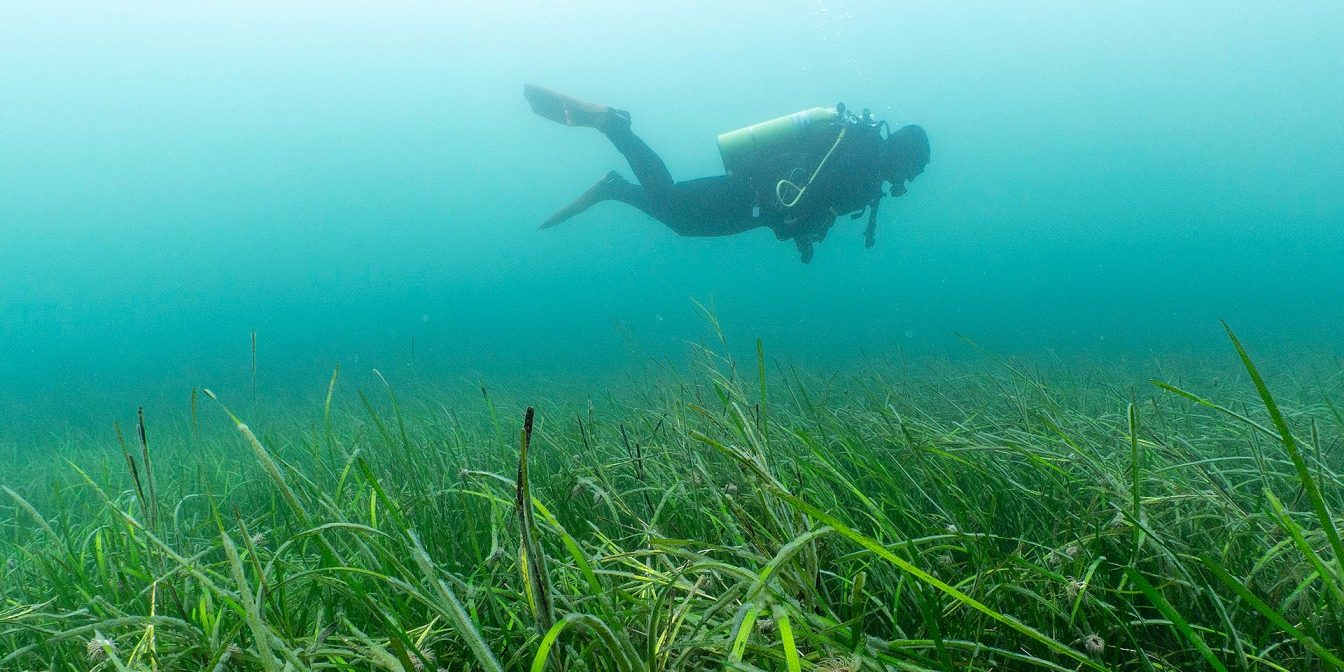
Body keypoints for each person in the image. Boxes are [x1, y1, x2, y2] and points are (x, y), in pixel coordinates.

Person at [525, 84, 930, 263]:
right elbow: (816, 190)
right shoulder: (866, 166)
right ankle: (614, 125)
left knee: (681, 220)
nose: (911, 176)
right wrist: (805, 225)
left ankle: (615, 188)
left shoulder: (867, 163)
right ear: (905, 155)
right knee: (671, 201)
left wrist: (805, 232)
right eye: (916, 165)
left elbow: (816, 198)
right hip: (751, 196)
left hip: (756, 206)